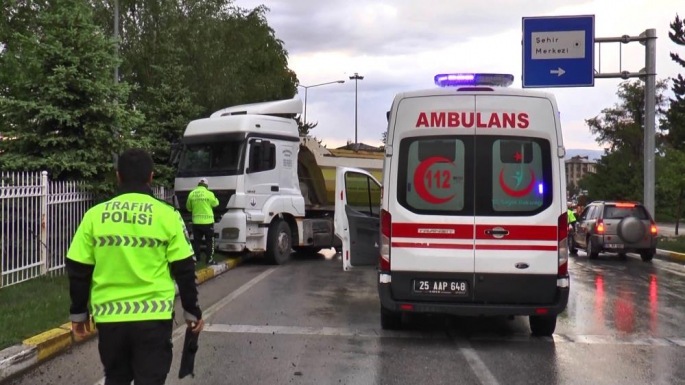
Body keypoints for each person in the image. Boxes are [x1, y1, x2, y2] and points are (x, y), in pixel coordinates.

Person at [66, 149, 204, 385]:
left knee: (116, 379)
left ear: (118, 176)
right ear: (151, 177)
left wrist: (79, 313)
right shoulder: (167, 215)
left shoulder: (94, 216)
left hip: (110, 320)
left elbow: (78, 268)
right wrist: (192, 311)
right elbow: (184, 267)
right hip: (153, 319)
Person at [186, 178, 219, 265]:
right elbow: (216, 204)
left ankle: (197, 258)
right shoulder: (209, 194)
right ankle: (209, 260)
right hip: (208, 223)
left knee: (196, 242)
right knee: (209, 242)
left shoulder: (192, 194)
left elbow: (188, 208)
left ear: (198, 184)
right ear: (206, 185)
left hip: (196, 222)